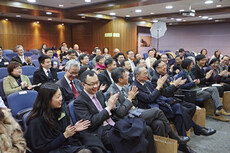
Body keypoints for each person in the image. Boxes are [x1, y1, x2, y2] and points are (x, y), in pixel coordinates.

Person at [74, 70, 155, 153]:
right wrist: (108, 108)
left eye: (97, 82)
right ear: (83, 84)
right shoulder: (79, 102)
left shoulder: (99, 94)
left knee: (146, 129)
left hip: (114, 123)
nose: (96, 86)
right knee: (133, 140)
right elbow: (91, 123)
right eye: (92, 84)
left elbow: (110, 112)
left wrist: (113, 107)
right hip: (101, 131)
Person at [106, 67, 190, 143]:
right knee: (158, 111)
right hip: (127, 117)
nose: (129, 77)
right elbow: (120, 113)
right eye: (126, 76)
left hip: (135, 111)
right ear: (120, 79)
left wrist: (133, 98)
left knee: (159, 123)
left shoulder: (125, 87)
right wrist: (129, 99)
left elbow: (135, 103)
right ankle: (174, 137)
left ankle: (164, 147)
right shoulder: (111, 92)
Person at [25, 82, 106, 153]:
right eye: (57, 97)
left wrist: (74, 129)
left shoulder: (60, 110)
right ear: (47, 100)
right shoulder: (36, 121)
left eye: (61, 95)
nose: (61, 98)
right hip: (52, 149)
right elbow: (41, 149)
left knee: (94, 142)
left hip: (65, 142)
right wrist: (64, 135)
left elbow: (64, 132)